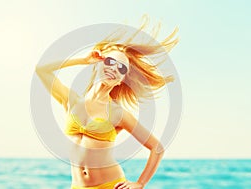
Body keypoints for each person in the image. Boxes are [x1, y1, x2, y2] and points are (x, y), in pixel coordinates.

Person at [35, 20, 178, 189]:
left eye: (122, 69)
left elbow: (157, 148)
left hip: (110, 185)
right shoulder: (71, 100)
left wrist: (140, 183)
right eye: (110, 61)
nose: (114, 68)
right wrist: (82, 60)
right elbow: (42, 70)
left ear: (121, 81)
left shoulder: (118, 113)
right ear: (98, 64)